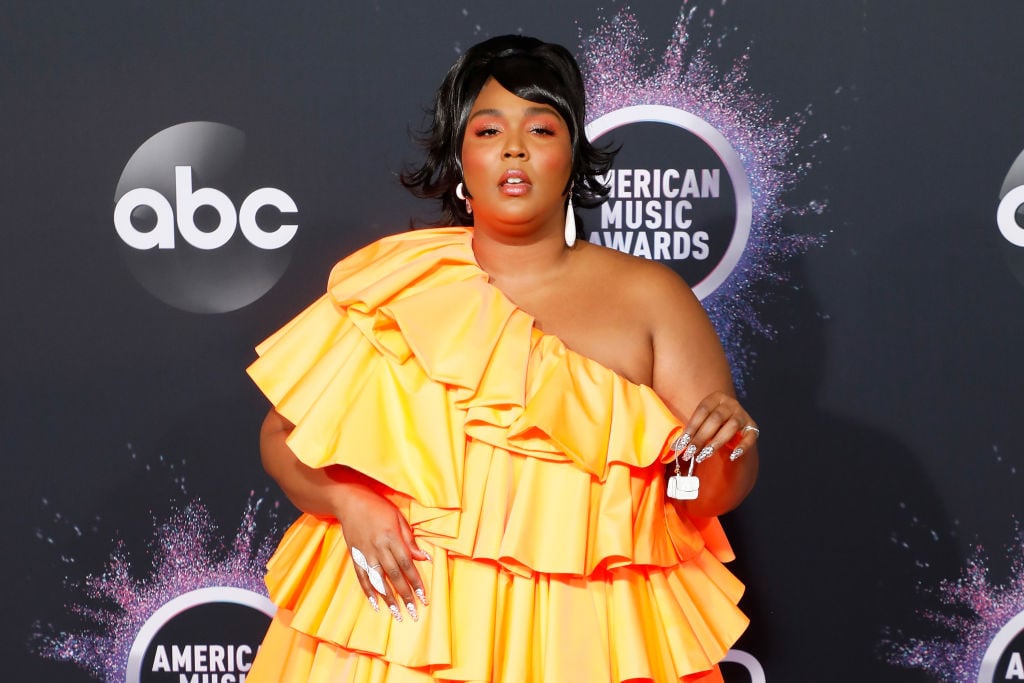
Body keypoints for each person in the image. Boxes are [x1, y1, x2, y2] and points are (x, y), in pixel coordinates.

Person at [245, 34, 759, 683]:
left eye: (540, 128)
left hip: (590, 642)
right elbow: (282, 435)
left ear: (573, 155)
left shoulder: (651, 298)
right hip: (404, 633)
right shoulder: (398, 285)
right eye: (488, 130)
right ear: (459, 156)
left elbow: (699, 496)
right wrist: (349, 501)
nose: (514, 147)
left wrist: (722, 447)